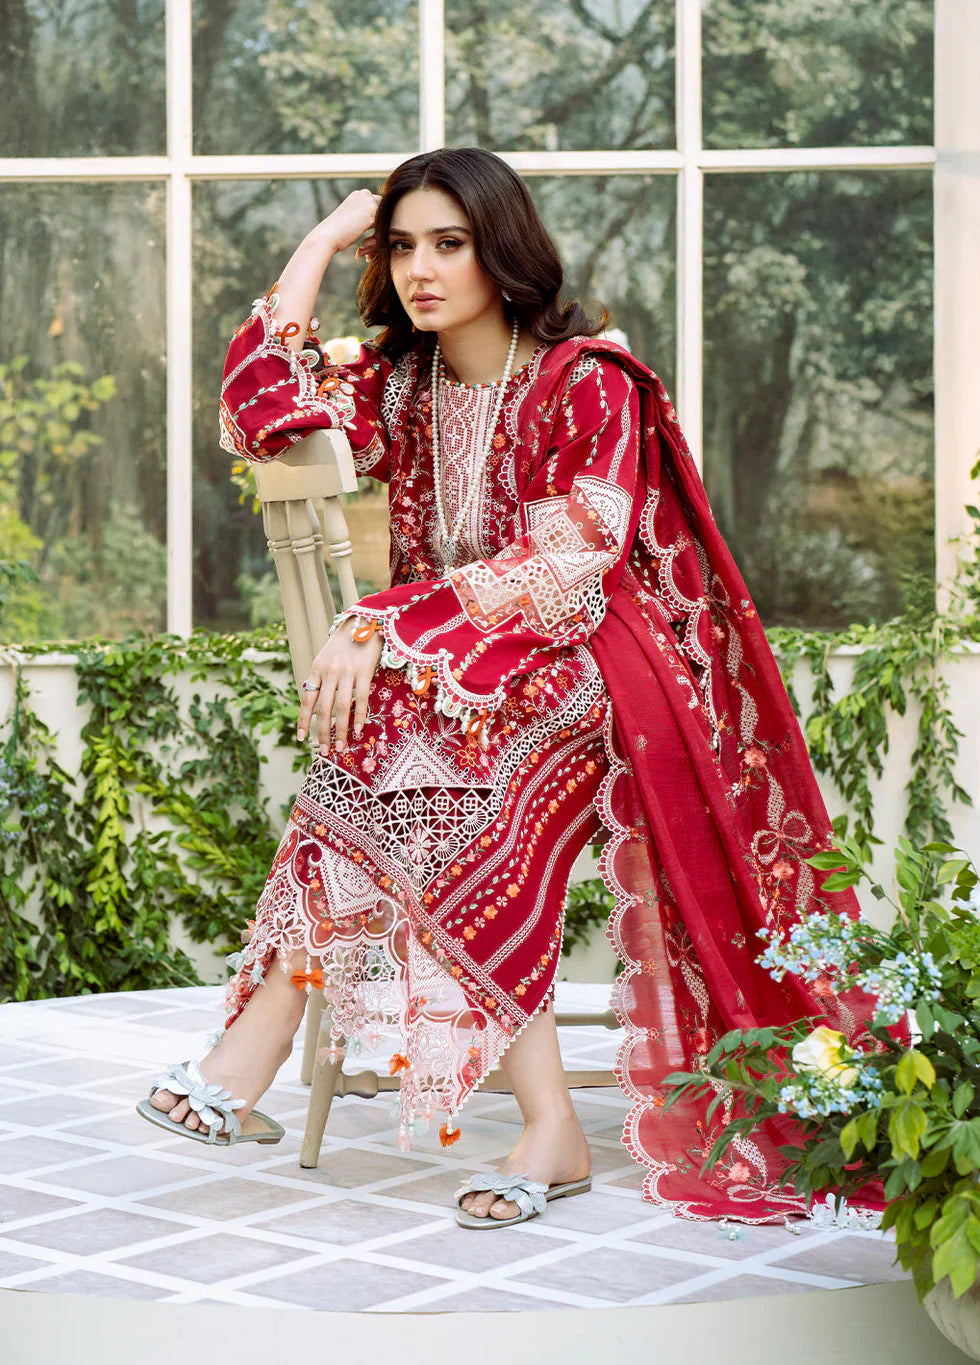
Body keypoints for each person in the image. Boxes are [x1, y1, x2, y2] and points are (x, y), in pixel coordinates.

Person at [137, 146, 873, 1227]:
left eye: (449, 243)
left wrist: (383, 619)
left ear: (503, 250)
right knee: (429, 756)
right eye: (400, 247)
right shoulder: (403, 384)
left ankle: (259, 1042)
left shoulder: (590, 379)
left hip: (601, 667)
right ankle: (542, 1122)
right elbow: (258, 411)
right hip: (455, 683)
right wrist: (323, 239)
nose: (420, 269)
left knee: (425, 743)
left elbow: (574, 557)